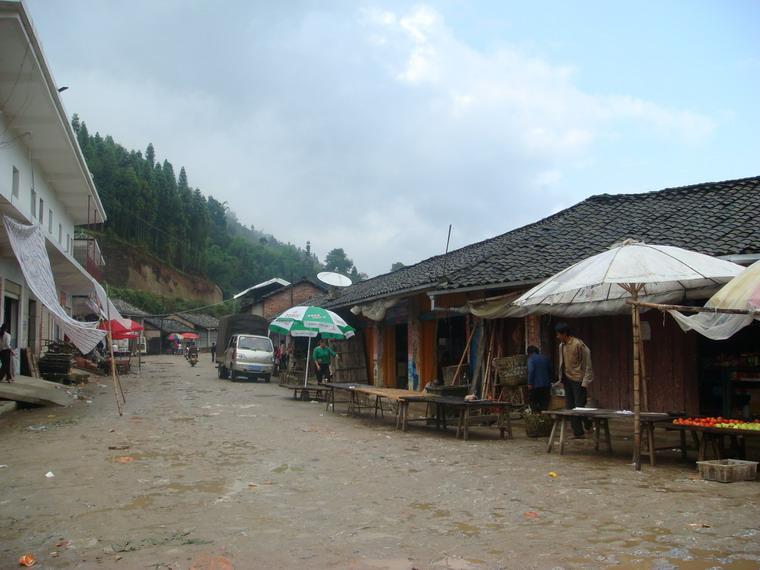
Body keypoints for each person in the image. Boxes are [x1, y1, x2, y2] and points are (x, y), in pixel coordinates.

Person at [554, 323, 594, 438]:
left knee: (579, 406)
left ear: (564, 333)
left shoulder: (578, 344)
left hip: (578, 379)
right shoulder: (561, 346)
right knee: (570, 406)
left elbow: (588, 363)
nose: (557, 337)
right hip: (567, 378)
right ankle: (577, 432)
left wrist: (585, 381)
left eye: (558, 334)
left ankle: (588, 425)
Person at [526, 345, 552, 412]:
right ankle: (544, 418)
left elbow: (531, 371)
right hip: (546, 385)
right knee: (544, 404)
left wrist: (529, 383)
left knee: (533, 402)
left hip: (535, 385)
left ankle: (536, 418)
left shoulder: (531, 359)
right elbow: (551, 370)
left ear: (529, 353)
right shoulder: (546, 358)